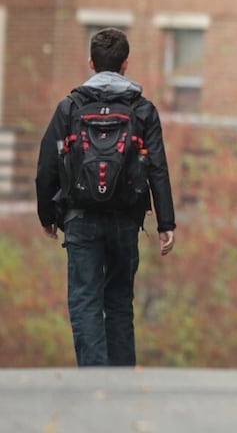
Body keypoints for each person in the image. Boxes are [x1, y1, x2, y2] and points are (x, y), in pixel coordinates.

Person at [35, 27, 176, 367]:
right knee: (118, 301)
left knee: (84, 300)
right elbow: (157, 167)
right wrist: (165, 222)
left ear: (90, 63)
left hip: (80, 219)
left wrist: (47, 217)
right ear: (126, 64)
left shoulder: (70, 107)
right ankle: (121, 383)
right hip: (125, 220)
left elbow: (46, 166)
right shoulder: (142, 110)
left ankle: (93, 382)